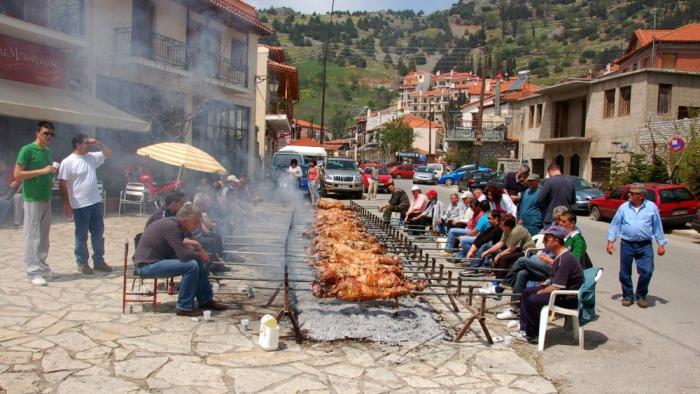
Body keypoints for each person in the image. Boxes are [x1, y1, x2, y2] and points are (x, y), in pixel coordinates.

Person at [133, 203, 228, 316]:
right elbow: (183, 255)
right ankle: (184, 306)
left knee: (196, 261)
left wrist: (198, 247)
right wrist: (200, 254)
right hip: (146, 266)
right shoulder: (171, 227)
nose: (197, 225)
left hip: (159, 259)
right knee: (191, 265)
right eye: (195, 222)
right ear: (185, 221)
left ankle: (205, 300)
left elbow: (183, 243)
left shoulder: (177, 224)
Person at [496, 210, 587, 321]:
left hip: (560, 275)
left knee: (522, 260)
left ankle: (501, 286)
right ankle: (515, 309)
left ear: (572, 223)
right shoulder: (564, 236)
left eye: (564, 221)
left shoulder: (577, 240)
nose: (560, 224)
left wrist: (549, 261)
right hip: (552, 269)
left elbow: (571, 264)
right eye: (559, 221)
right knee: (522, 273)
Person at [515, 225, 584, 344]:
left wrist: (541, 290)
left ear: (556, 241)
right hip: (559, 291)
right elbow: (553, 278)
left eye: (547, 239)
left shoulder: (565, 259)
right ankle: (524, 329)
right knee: (526, 292)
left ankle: (533, 335)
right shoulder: (559, 256)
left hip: (567, 297)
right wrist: (543, 285)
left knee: (533, 299)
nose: (543, 241)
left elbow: (557, 286)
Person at [58, 133, 113, 274]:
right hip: (79, 205)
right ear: (77, 145)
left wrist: (99, 144)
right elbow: (63, 184)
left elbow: (109, 154)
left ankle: (99, 261)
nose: (89, 144)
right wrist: (66, 205)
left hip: (95, 202)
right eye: (86, 142)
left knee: (98, 234)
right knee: (81, 236)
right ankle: (82, 263)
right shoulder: (67, 162)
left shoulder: (91, 157)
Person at [607, 183, 667, 308]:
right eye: (630, 192)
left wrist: (661, 243)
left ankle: (641, 295)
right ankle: (628, 296)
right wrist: (610, 241)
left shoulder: (651, 207)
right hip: (627, 244)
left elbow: (657, 226)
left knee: (648, 271)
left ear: (641, 195)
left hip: (645, 245)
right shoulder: (624, 207)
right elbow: (615, 225)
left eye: (632, 193)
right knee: (625, 272)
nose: (629, 194)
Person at [14, 121, 58, 286]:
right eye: (46, 133)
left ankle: (42, 266)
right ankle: (32, 272)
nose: (49, 137)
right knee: (31, 236)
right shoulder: (26, 150)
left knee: (43, 236)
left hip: (45, 196)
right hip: (32, 198)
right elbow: (17, 174)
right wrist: (43, 171)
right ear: (37, 133)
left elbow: (46, 171)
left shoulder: (47, 151)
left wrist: (50, 174)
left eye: (52, 134)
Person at [478, 213, 536, 294]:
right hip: (517, 250)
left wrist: (498, 255)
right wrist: (487, 252)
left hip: (526, 251)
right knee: (495, 254)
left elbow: (510, 249)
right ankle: (496, 283)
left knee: (503, 258)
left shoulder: (516, 231)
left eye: (502, 225)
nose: (500, 227)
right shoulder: (506, 230)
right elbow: (501, 243)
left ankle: (497, 285)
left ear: (508, 226)